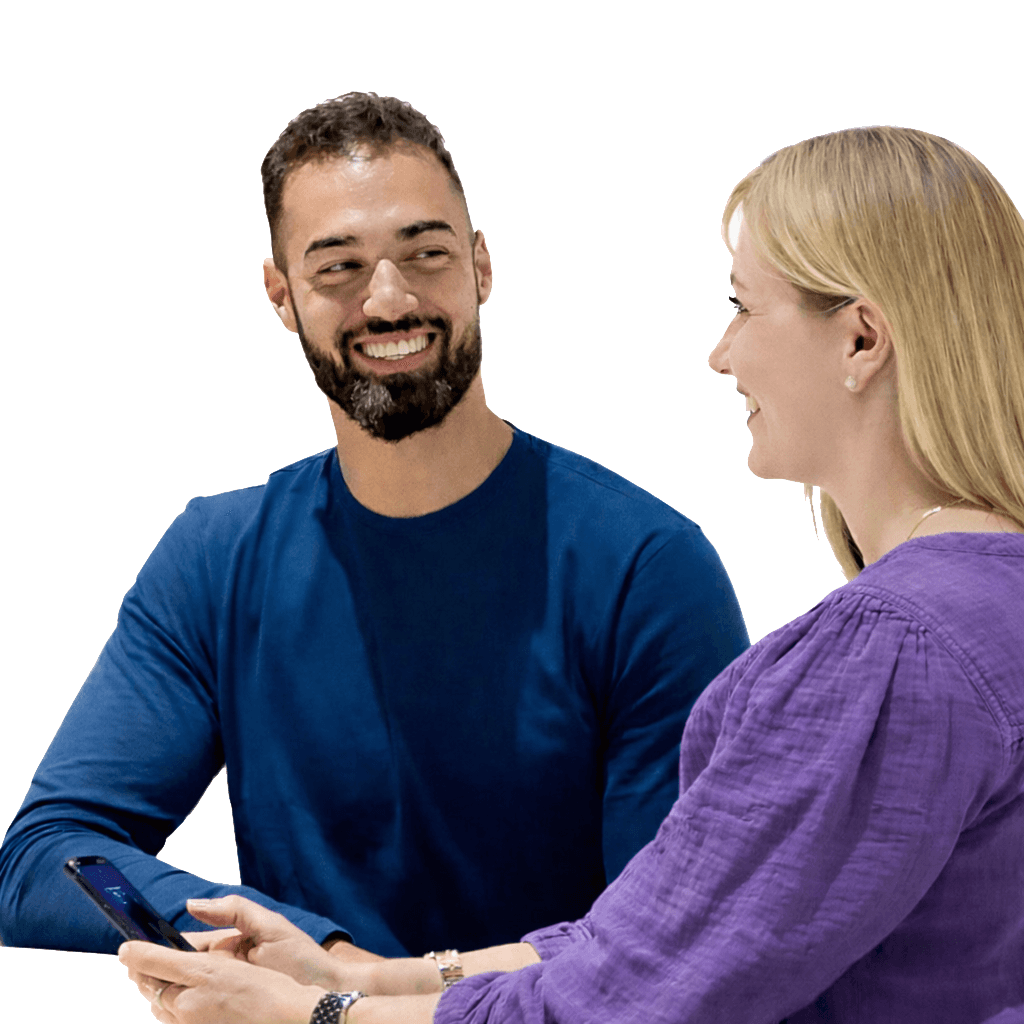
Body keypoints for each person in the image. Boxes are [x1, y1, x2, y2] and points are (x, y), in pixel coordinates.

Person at [120, 124, 1024, 1024]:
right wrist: (360, 978)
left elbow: (634, 999)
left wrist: (313, 1016)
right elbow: (658, 939)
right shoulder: (987, 603)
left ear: (861, 341)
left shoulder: (884, 648)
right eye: (338, 266)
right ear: (281, 292)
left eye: (744, 306)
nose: (722, 352)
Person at [0, 94, 749, 959]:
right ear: (281, 295)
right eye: (338, 268)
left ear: (481, 267)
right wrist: (307, 953)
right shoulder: (216, 562)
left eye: (426, 254)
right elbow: (45, 859)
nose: (389, 301)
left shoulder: (645, 568)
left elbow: (669, 944)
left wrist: (359, 1000)